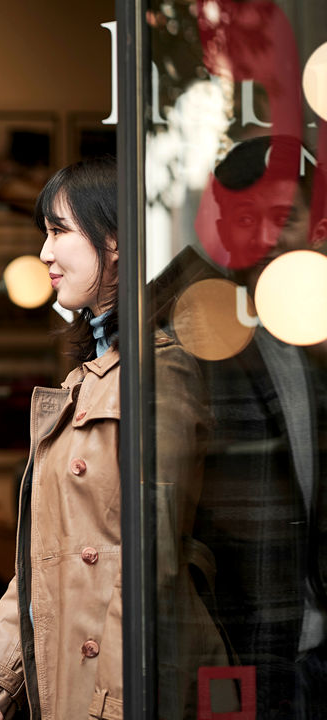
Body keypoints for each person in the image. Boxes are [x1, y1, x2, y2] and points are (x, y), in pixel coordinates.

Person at [0, 157, 232, 719]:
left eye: (58, 231)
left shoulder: (159, 370)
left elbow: (153, 565)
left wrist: (111, 705)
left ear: (115, 239)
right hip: (74, 677)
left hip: (125, 687)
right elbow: (42, 564)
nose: (44, 253)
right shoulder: (93, 370)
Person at [188, 135, 327, 718]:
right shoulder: (190, 340)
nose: (269, 238)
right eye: (248, 219)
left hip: (318, 651)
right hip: (241, 656)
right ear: (223, 228)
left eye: (284, 218)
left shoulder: (312, 333)